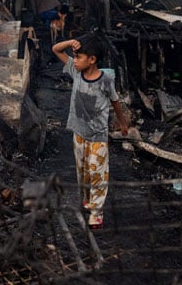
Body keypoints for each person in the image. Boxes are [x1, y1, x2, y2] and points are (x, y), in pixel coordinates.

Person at [52, 33, 128, 229]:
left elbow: (115, 101)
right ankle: (87, 199)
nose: (75, 61)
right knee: (83, 172)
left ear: (92, 60)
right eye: (74, 57)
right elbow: (56, 49)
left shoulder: (106, 80)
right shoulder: (75, 71)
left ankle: (96, 212)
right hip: (79, 132)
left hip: (98, 135)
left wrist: (122, 123)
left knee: (98, 172)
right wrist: (71, 42)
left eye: (78, 57)